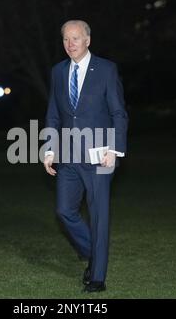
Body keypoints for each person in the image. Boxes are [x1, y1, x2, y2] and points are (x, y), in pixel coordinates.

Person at [43, 20, 128, 293]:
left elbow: (118, 114)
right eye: (66, 39)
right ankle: (94, 252)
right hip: (68, 156)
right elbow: (54, 115)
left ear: (88, 40)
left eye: (76, 38)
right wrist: (49, 148)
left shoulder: (106, 69)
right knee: (64, 210)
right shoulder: (58, 72)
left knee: (99, 215)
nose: (70, 44)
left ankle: (97, 278)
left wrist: (114, 150)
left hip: (100, 155)